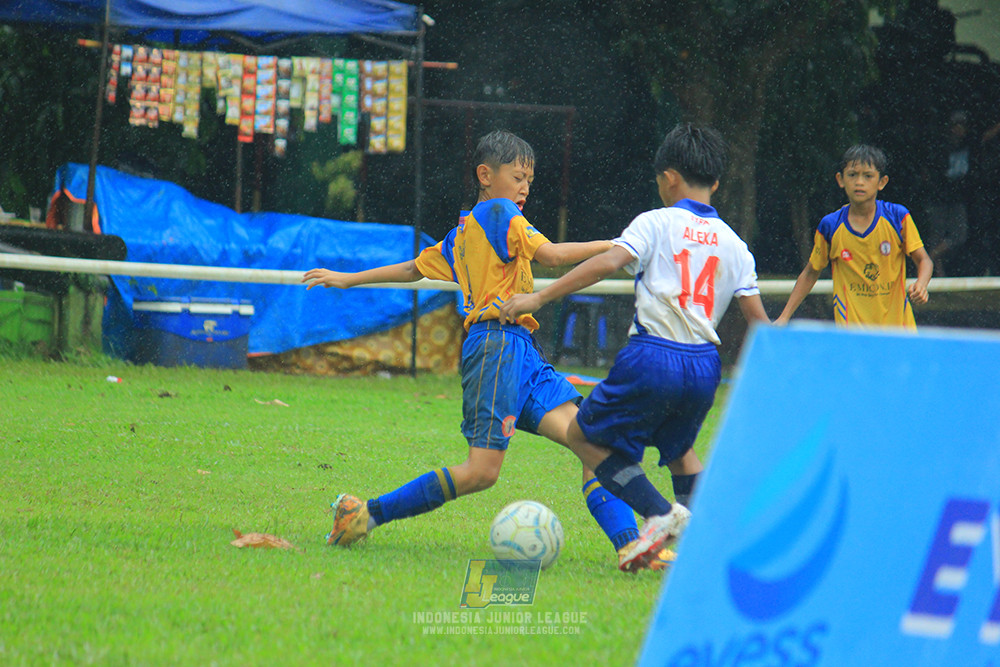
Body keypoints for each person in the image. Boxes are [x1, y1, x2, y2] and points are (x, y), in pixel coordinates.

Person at [303, 129, 671, 572]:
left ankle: (633, 547)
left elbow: (412, 268)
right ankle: (364, 514)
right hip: (496, 347)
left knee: (593, 442)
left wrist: (349, 277)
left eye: (529, 182)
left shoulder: (463, 234)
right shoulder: (498, 214)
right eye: (518, 176)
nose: (525, 189)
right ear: (485, 175)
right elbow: (552, 256)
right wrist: (621, 247)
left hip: (521, 351)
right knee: (482, 472)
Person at [498, 123, 770, 571]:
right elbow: (762, 325)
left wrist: (539, 296)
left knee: (583, 434)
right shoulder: (736, 245)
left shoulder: (655, 222)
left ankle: (660, 515)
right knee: (680, 451)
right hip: (704, 365)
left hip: (653, 356)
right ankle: (705, 550)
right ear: (716, 182)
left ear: (669, 178)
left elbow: (607, 262)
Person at [776, 145, 932, 328]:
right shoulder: (830, 226)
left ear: (882, 182)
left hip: (898, 333)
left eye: (868, 176)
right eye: (852, 175)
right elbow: (811, 271)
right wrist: (784, 316)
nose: (859, 182)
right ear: (840, 180)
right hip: (851, 338)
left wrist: (921, 284)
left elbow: (924, 260)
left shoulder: (898, 217)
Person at [923, 111, 972, 277]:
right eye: (956, 125)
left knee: (960, 235)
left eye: (963, 126)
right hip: (939, 199)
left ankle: (931, 257)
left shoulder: (969, 146)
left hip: (957, 199)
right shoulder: (939, 146)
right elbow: (932, 173)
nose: (959, 129)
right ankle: (937, 275)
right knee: (935, 236)